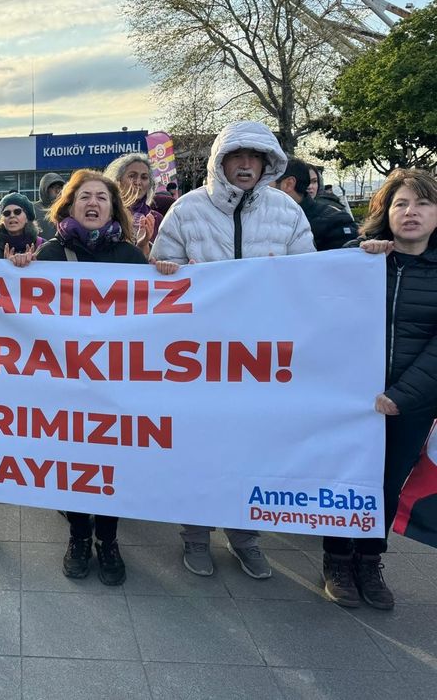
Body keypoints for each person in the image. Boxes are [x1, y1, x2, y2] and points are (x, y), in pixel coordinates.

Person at [152, 120, 315, 580]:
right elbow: (161, 281)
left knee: (253, 451)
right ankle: (196, 536)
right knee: (198, 449)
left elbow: (310, 281)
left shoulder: (287, 212)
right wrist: (166, 271)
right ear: (219, 162)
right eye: (236, 157)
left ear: (268, 163)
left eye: (254, 157)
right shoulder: (185, 211)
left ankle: (246, 538)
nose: (245, 165)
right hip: (197, 360)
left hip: (261, 360)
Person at [34, 170, 178, 585]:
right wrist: (19, 268)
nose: (93, 203)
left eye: (102, 197)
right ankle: (79, 537)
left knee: (111, 464)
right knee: (76, 465)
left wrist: (166, 277)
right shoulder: (49, 256)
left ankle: (108, 540)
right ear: (70, 205)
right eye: (84, 197)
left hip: (116, 385)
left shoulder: (131, 259)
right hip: (65, 384)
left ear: (114, 207)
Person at [320, 168, 437, 610]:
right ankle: (335, 559)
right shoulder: (359, 260)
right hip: (351, 401)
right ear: (384, 212)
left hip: (410, 403)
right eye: (401, 204)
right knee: (342, 477)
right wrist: (356, 257)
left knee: (386, 484)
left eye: (422, 204)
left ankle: (369, 560)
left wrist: (401, 396)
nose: (411, 213)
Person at [273, 157, 358, 251]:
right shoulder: (266, 217)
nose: (310, 186)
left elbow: (343, 261)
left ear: (288, 184)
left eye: (268, 181)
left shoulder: (335, 221)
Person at [104, 152, 162, 257]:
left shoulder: (155, 219)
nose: (138, 182)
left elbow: (162, 258)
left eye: (144, 177)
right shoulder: (104, 215)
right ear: (118, 180)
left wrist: (144, 246)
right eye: (132, 176)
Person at [0, 192, 45, 259]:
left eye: (17, 212)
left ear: (27, 218)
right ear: (1, 220)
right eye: (7, 213)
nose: (12, 215)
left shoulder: (42, 246)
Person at [36, 172, 65, 239]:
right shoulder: (33, 209)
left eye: (61, 187)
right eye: (53, 187)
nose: (58, 191)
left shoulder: (68, 209)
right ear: (44, 189)